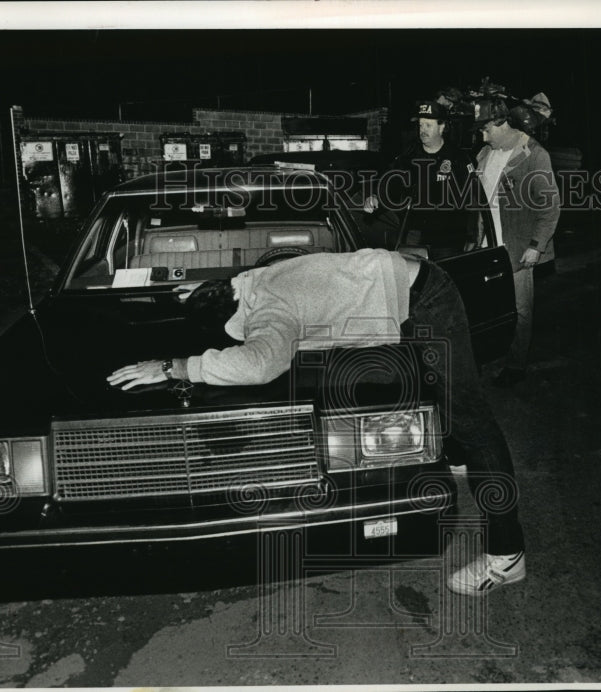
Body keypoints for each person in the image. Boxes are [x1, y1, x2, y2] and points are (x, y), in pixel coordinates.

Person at [108, 248, 527, 596]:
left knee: (474, 425)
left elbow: (259, 364)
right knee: (437, 394)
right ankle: (455, 453)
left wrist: (176, 366)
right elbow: (222, 295)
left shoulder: (272, 310)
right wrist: (196, 295)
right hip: (407, 286)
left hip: (427, 301)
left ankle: (507, 555)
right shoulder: (256, 280)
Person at [473, 96, 561, 387]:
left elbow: (550, 207)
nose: (482, 135)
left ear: (503, 123)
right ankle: (487, 357)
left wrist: (537, 245)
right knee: (487, 307)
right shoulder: (485, 155)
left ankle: (515, 365)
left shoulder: (534, 155)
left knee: (520, 311)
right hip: (487, 245)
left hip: (518, 246)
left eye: (486, 129)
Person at [364, 101, 479, 258]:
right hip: (414, 237)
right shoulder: (409, 156)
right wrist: (376, 197)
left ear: (442, 127)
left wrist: (472, 235)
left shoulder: (458, 158)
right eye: (420, 125)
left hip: (448, 241)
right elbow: (391, 184)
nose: (422, 130)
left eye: (428, 125)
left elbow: (472, 199)